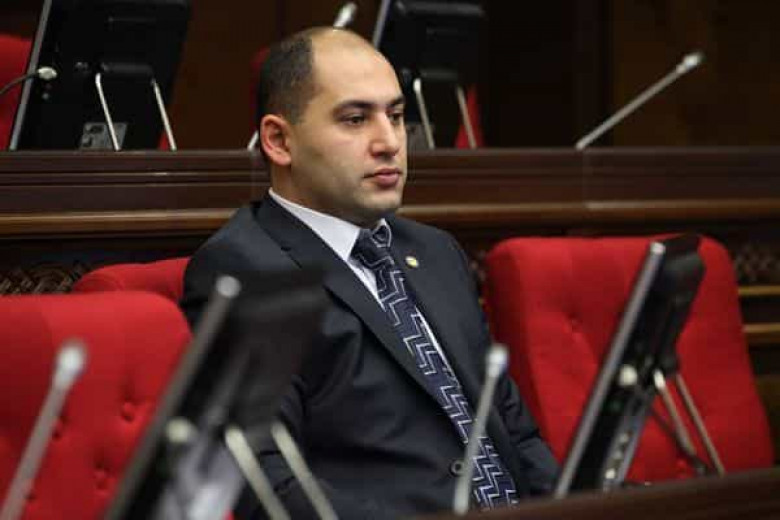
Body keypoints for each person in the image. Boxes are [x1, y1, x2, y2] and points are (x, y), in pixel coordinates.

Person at [180, 27, 558, 519]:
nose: (390, 142)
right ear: (279, 140)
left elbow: (513, 431)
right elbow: (271, 484)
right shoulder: (246, 269)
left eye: (396, 116)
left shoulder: (436, 251)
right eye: (355, 119)